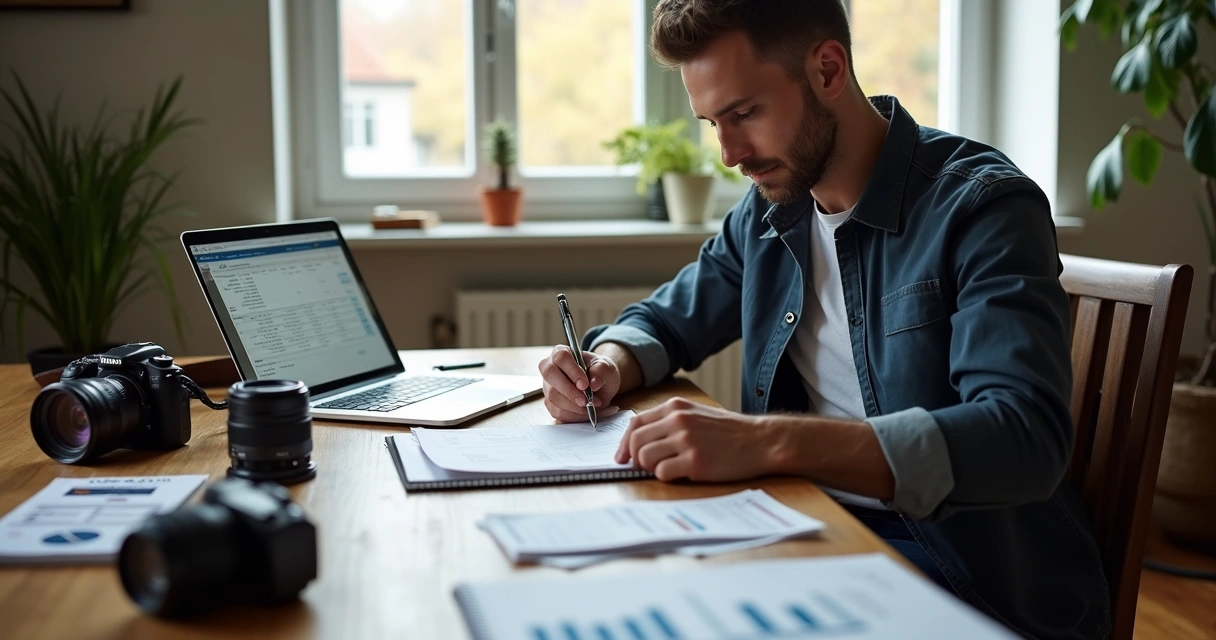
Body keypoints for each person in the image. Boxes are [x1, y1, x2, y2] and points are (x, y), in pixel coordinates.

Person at [537, 1, 1110, 638]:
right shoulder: (767, 215)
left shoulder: (981, 206)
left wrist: (767, 442)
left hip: (972, 578)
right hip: (806, 526)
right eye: (712, 123)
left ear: (828, 69)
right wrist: (607, 365)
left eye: (745, 113)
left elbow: (1022, 437)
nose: (729, 153)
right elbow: (665, 321)